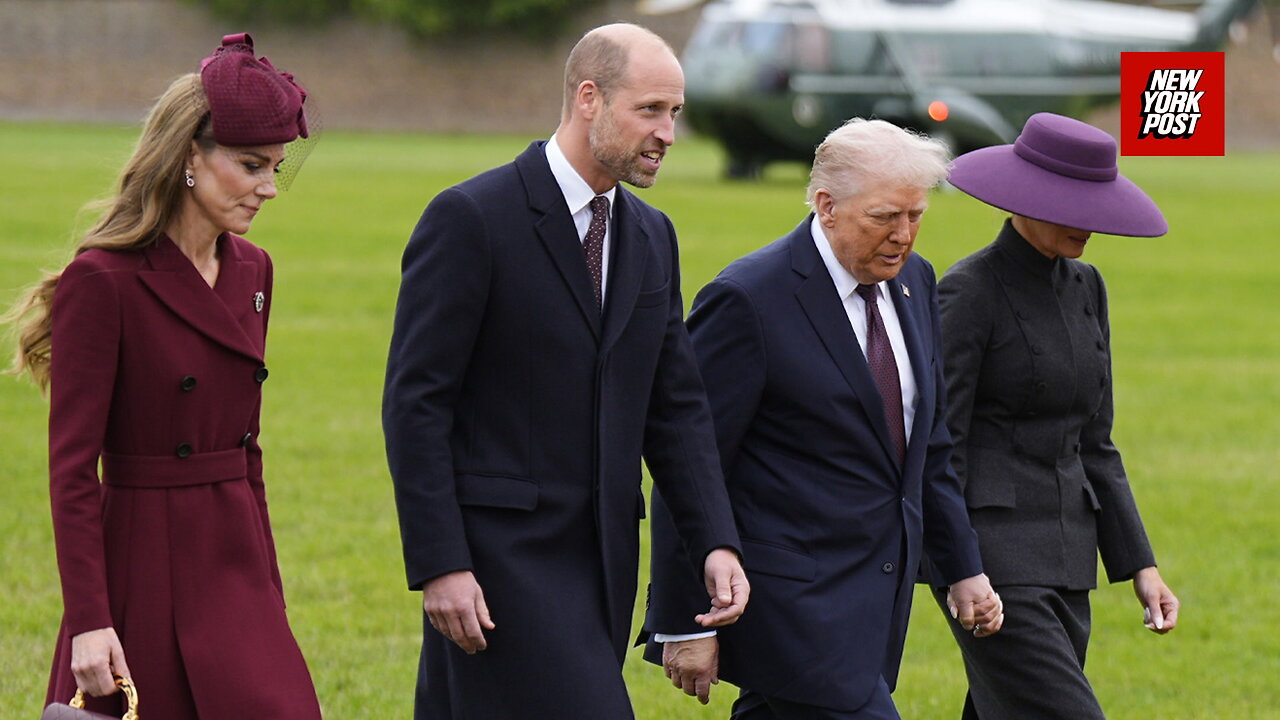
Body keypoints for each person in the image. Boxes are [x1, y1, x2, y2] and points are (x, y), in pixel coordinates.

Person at [381, 23, 748, 719]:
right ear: (589, 99)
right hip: (497, 564)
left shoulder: (651, 236)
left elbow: (675, 409)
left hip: (604, 562)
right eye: (650, 110)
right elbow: (416, 404)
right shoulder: (471, 218)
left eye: (675, 112)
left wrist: (716, 541)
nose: (668, 132)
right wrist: (440, 563)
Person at [3, 34, 321, 719]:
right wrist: (90, 619)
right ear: (187, 158)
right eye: (250, 165)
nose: (269, 187)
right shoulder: (102, 283)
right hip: (140, 565)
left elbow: (248, 447)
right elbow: (70, 472)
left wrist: (269, 591)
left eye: (276, 167)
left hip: (236, 561)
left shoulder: (255, 272)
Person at [643, 118, 1003, 720]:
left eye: (916, 216)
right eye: (884, 217)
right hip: (790, 606)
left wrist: (963, 568)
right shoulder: (749, 299)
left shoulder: (914, 282)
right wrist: (683, 621)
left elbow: (927, 450)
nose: (904, 235)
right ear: (827, 206)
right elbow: (690, 463)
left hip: (874, 601)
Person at [933, 112, 1181, 719]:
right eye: (1071, 204)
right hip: (993, 562)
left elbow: (1096, 443)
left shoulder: (1088, 287)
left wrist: (1139, 565)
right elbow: (941, 444)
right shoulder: (970, 291)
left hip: (1071, 559)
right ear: (1025, 198)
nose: (1089, 223)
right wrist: (959, 566)